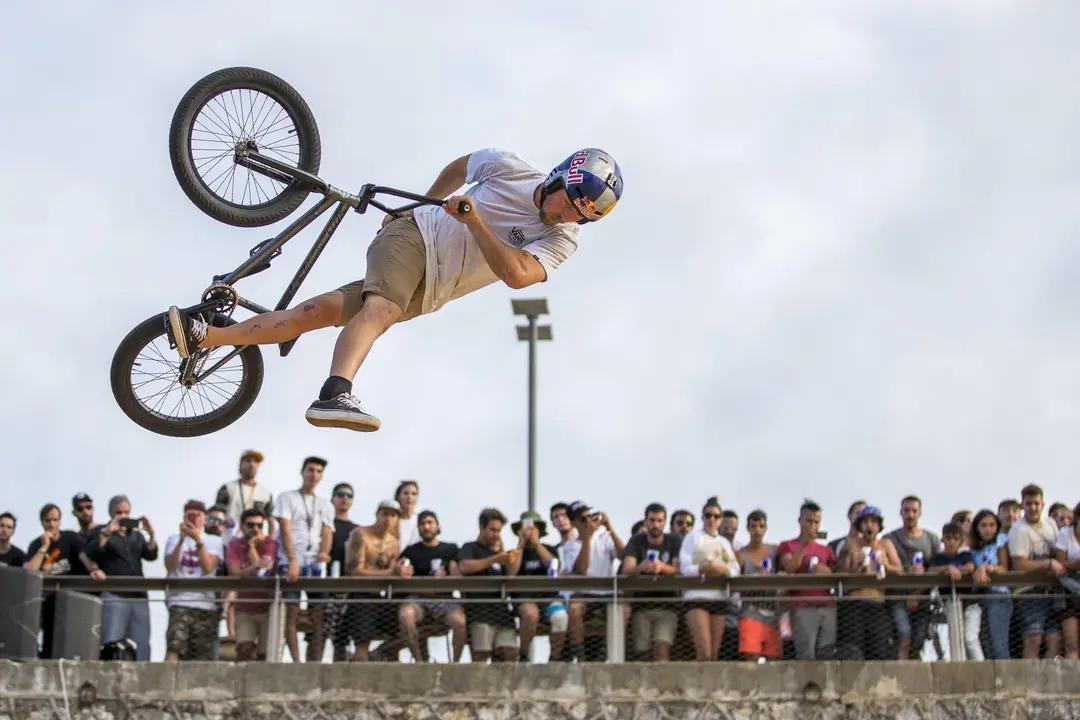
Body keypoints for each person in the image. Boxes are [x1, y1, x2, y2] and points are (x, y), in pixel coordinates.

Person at [164, 148, 623, 431]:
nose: (569, 216)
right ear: (562, 177)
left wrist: (476, 221)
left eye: (582, 216)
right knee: (380, 310)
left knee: (314, 315)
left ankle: (204, 336)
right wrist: (414, 204)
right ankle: (334, 392)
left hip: (432, 290)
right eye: (572, 203)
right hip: (415, 236)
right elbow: (462, 165)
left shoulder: (562, 239)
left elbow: (518, 276)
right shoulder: (509, 169)